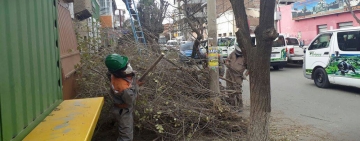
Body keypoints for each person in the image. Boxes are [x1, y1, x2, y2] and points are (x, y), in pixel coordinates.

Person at [105, 53, 144, 141]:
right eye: (125, 67)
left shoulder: (112, 73)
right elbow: (131, 100)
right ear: (119, 72)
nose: (128, 66)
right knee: (126, 137)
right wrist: (136, 86)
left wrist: (131, 75)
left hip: (119, 106)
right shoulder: (123, 87)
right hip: (124, 111)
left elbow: (124, 76)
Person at [225, 46, 246, 111]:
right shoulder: (233, 53)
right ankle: (232, 105)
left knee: (237, 90)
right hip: (229, 72)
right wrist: (227, 63)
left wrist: (245, 74)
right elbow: (227, 59)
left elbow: (250, 68)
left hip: (238, 75)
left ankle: (240, 106)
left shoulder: (245, 57)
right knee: (229, 88)